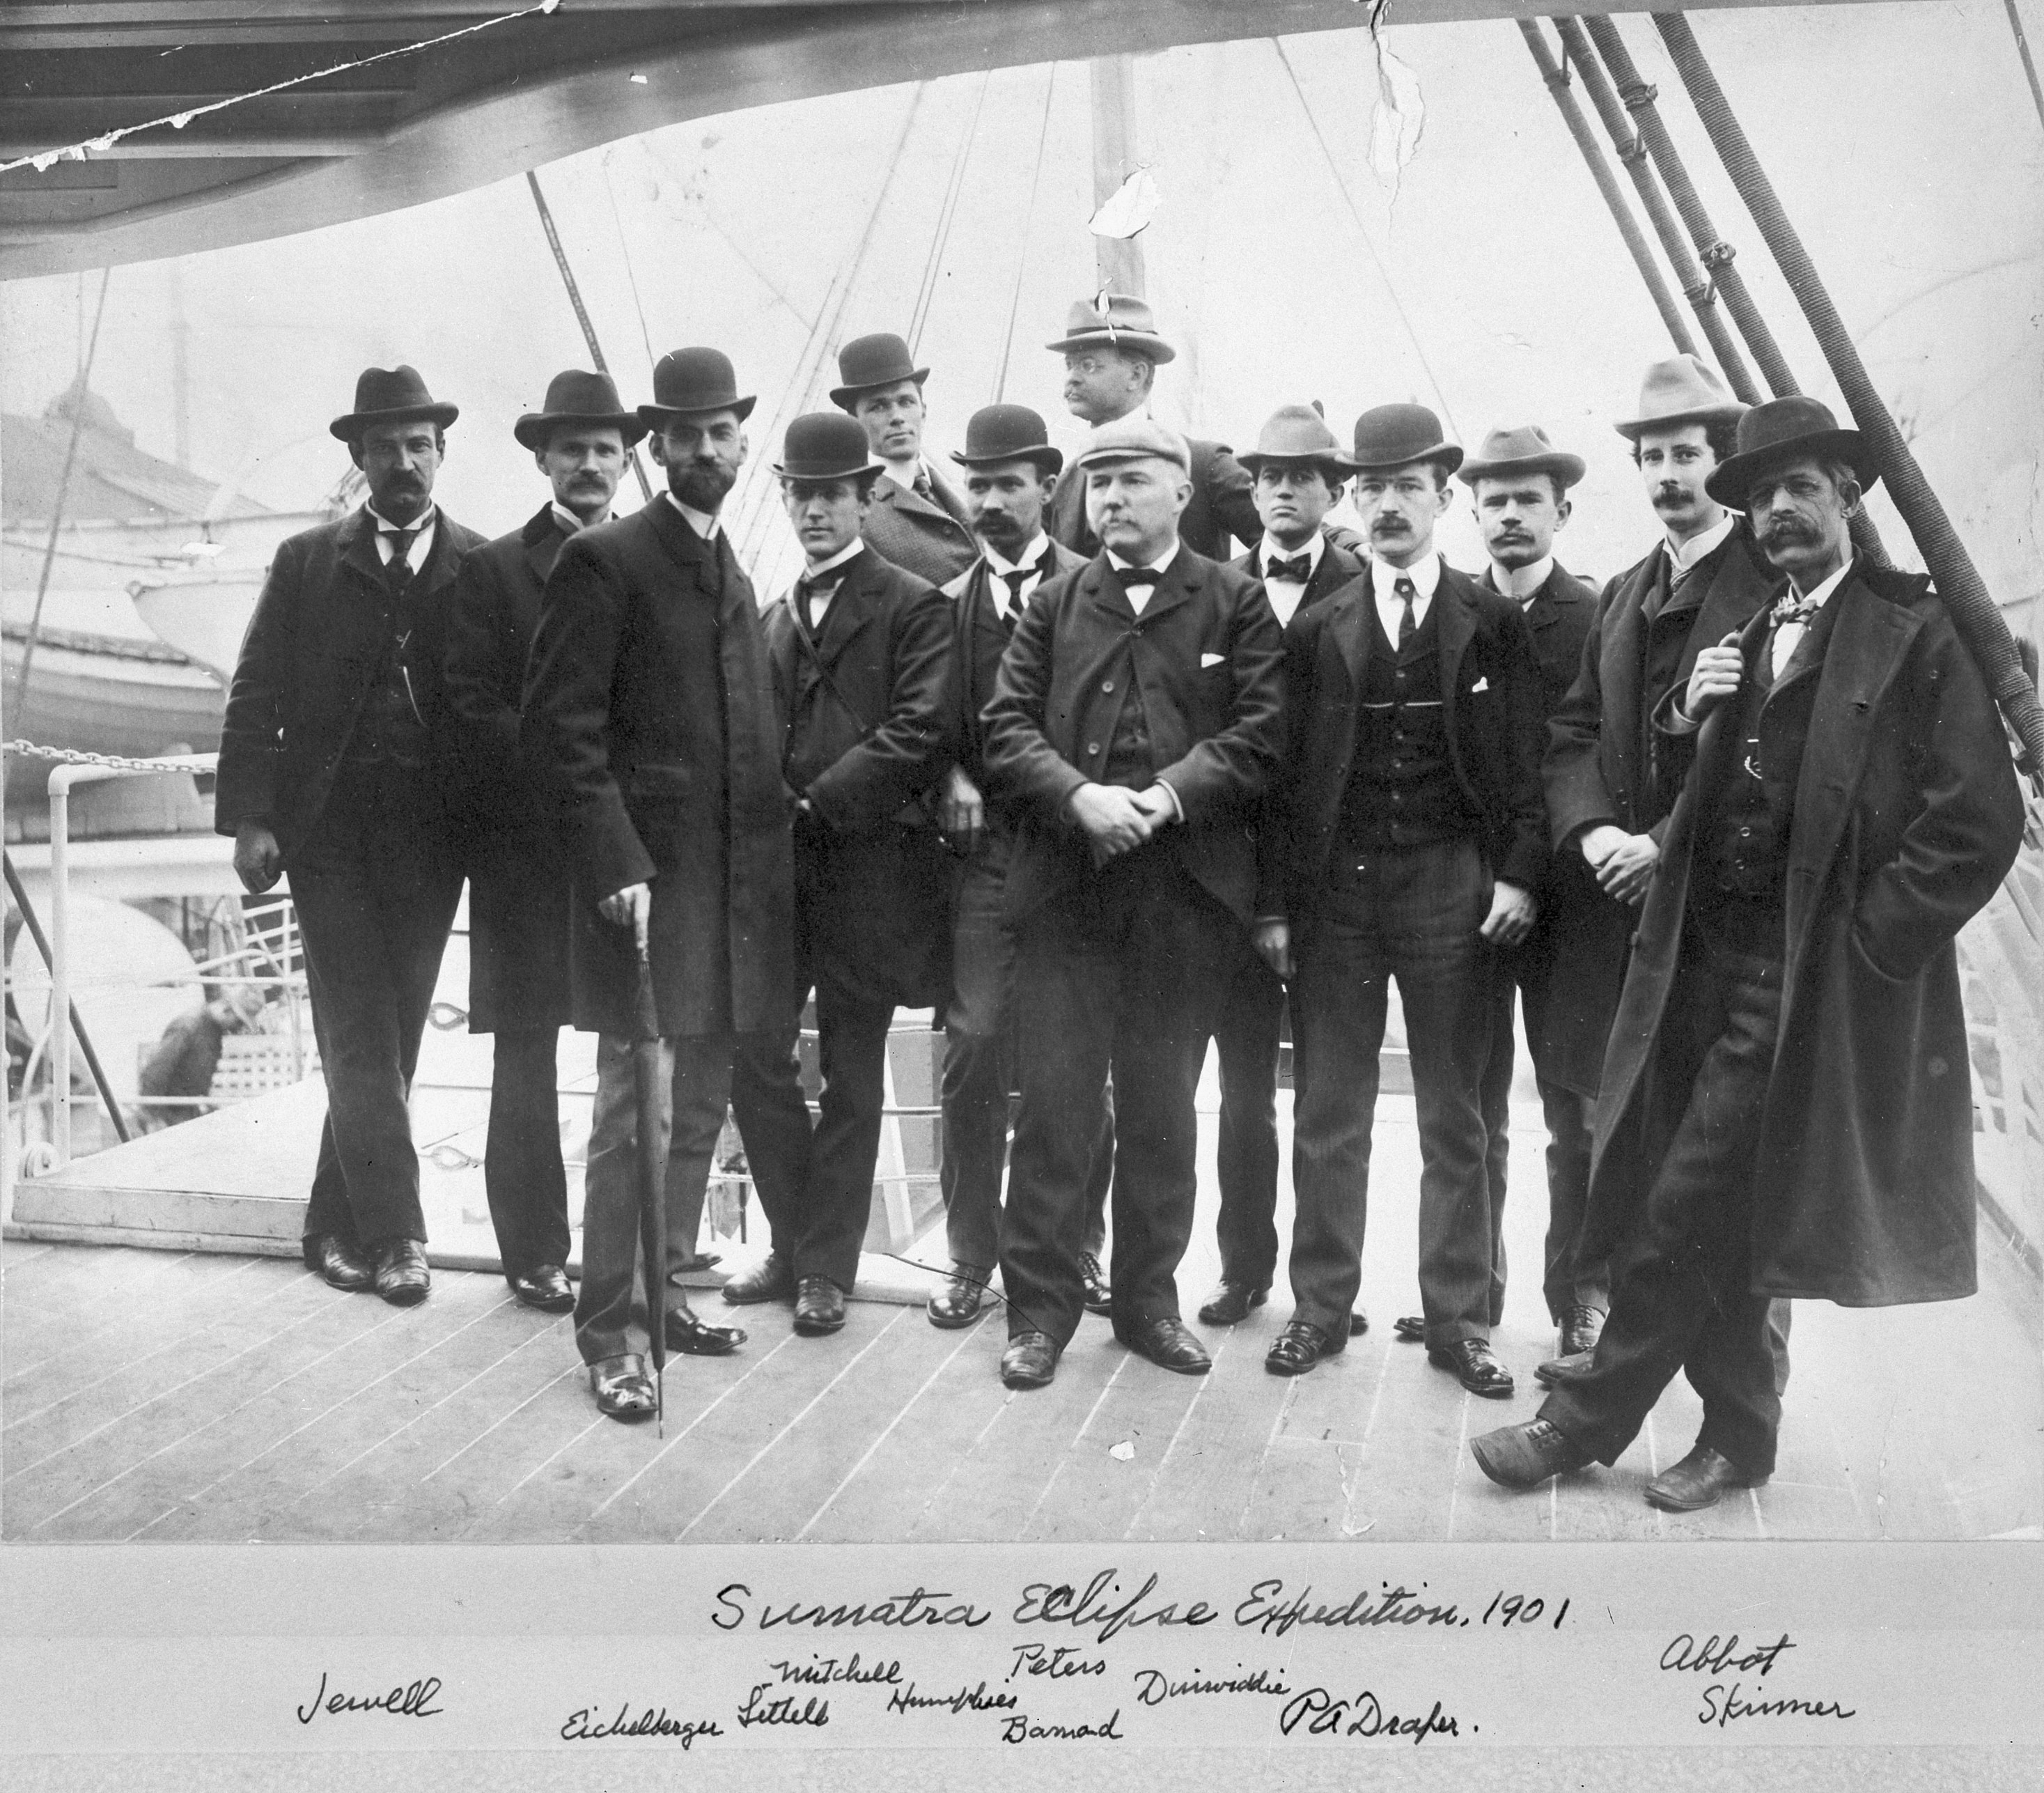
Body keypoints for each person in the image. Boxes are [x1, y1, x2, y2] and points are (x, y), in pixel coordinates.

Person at [1472, 396, 2025, 1509]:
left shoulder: (1914, 632)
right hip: (1694, 960)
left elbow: (1975, 824)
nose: (1776, 512)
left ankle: (1578, 1426)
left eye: (1799, 489)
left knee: (1685, 1200)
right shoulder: (1750, 633)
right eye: (1760, 496)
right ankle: (1737, 1433)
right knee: (1704, 1193)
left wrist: (1863, 948)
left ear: (1848, 499)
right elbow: (1702, 786)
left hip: (1805, 971)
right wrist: (1691, 713)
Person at [520, 347, 811, 1421]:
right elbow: (560, 731)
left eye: (719, 432)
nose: (703, 450)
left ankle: (666, 1287)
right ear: (659, 445)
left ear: (739, 441)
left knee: (697, 1110)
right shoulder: (606, 560)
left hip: (731, 893)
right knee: (634, 1114)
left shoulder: (726, 567)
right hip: (646, 890)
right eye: (682, 434)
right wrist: (616, 863)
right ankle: (614, 1336)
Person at [984, 416, 1284, 1390]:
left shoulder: (1235, 601)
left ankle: (1147, 1304)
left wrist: (1162, 795)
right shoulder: (1054, 602)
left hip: (1181, 895)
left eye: (1131, 481)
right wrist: (1076, 794)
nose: (1109, 498)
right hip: (1067, 895)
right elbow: (1002, 726)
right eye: (1098, 483)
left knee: (1161, 1110)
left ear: (1180, 492)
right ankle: (1037, 1314)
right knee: (1056, 1112)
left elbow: (1264, 730)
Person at [1256, 404, 1547, 1387]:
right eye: (1370, 487)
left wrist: (1515, 872)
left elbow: (1524, 766)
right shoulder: (1316, 625)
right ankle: (1320, 1309)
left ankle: (1458, 1319)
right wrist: (1277, 905)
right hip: (1337, 892)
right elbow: (1282, 777)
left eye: (1406, 486)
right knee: (1328, 1110)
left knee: (1454, 1115)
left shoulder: (1491, 620)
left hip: (1446, 888)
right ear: (1351, 499)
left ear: (1442, 496)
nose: (1387, 504)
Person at [217, 366, 481, 1307]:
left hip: (431, 837)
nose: (403, 461)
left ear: (440, 453)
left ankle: (331, 1223)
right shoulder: (304, 563)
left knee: (390, 1038)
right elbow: (256, 693)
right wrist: (252, 816)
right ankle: (400, 1237)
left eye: (419, 444)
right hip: (325, 832)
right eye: (385, 446)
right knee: (359, 1032)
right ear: (358, 458)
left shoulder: (475, 564)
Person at [1538, 354, 1777, 1384]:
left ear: (1721, 468)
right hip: (1618, 908)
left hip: (1714, 911)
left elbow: (1772, 759)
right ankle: (1594, 1318)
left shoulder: (1766, 584)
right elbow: (1575, 728)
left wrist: (1660, 844)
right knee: (1605, 1115)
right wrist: (1593, 832)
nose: (1666, 475)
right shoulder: (1627, 590)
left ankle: (1738, 1369)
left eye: (1685, 454)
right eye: (1650, 457)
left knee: (1719, 1145)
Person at [749, 412, 955, 1338]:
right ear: (786, 499)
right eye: (802, 494)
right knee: (752, 1055)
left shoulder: (913, 605)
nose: (816, 510)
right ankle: (797, 1243)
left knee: (851, 1068)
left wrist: (817, 800)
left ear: (865, 498)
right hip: (777, 877)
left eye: (833, 494)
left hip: (870, 871)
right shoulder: (771, 613)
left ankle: (825, 1268)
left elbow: (920, 730)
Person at [446, 368, 643, 1315]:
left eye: (606, 448)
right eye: (573, 449)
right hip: (525, 852)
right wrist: (557, 770)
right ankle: (533, 1251)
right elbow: (468, 706)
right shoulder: (489, 572)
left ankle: (642, 1249)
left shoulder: (649, 560)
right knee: (522, 1054)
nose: (590, 464)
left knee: (636, 1050)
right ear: (543, 459)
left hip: (620, 851)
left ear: (625, 458)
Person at [925, 403, 1104, 1328]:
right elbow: (923, 720)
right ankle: (969, 1255)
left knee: (1077, 1057)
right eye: (979, 485)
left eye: (1009, 484)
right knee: (973, 1046)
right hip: (987, 856)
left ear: (1046, 486)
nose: (991, 501)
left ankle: (1079, 1244)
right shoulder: (945, 605)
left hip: (1076, 855)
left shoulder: (1093, 587)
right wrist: (951, 769)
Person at [1199, 403, 1365, 1330]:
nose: (1282, 493)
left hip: (1333, 881)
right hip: (1231, 882)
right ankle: (1240, 1267)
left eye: (1303, 478)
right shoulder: (1216, 588)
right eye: (1267, 479)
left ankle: (1323, 1292)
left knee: (1330, 1100)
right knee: (1241, 1094)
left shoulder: (1363, 581)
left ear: (1333, 490)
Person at [1456, 424, 1606, 1363]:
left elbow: (1584, 759)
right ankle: (1467, 1294)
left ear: (1560, 510)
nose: (1509, 515)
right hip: (1467, 903)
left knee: (1574, 1108)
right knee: (1468, 1105)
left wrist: (1527, 873)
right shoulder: (1452, 615)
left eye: (1526, 500)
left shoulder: (1593, 621)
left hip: (1567, 906)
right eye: (1493, 501)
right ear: (1470, 511)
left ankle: (1580, 1297)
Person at [1043, 293, 1260, 559]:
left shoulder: (1204, 464)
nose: (1072, 378)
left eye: (1088, 365)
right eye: (1069, 365)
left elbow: (1296, 542)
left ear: (1137, 375)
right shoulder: (1067, 482)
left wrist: (1232, 592)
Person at [831, 332, 978, 587]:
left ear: (923, 410)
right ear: (854, 422)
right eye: (878, 407)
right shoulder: (855, 516)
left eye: (906, 401)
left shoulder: (960, 491)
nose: (897, 416)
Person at [136, 986, 263, 1129]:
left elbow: (199, 1074)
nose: (238, 1029)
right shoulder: (189, 1026)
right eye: (239, 1022)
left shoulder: (213, 1032)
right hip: (168, 1114)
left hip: (186, 1111)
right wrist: (151, 1117)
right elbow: (156, 1071)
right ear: (226, 1010)